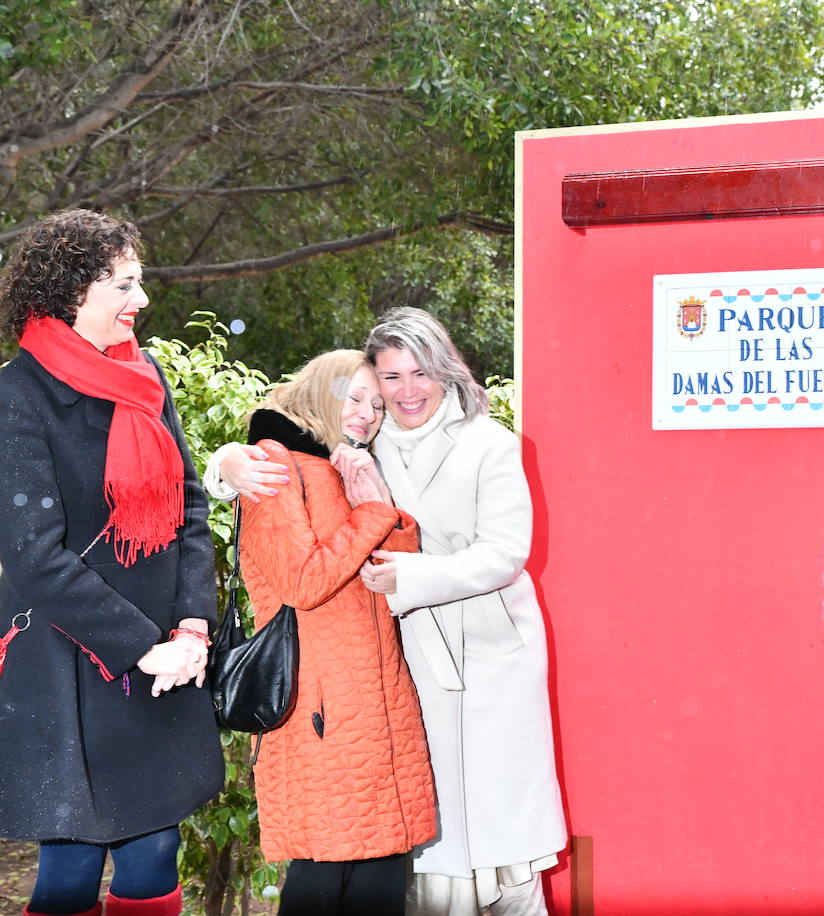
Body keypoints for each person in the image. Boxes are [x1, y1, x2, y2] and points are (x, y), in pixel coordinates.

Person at [210, 308, 566, 916]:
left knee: (499, 828)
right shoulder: (360, 445)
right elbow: (288, 456)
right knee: (414, 840)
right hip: (394, 661)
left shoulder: (488, 442)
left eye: (419, 373)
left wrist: (409, 574)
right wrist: (226, 463)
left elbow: (504, 553)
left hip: (485, 652)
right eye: (389, 379)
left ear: (447, 371)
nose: (404, 394)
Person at [0, 209, 223, 916]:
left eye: (140, 280)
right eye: (123, 284)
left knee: (154, 852)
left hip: (164, 658)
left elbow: (188, 504)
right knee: (71, 862)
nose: (142, 299)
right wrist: (143, 649)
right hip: (74, 661)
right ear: (71, 293)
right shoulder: (17, 397)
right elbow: (35, 559)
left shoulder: (144, 373)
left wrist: (191, 626)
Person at [236, 350, 436, 914]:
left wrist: (376, 498)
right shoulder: (276, 464)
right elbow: (301, 580)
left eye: (377, 405)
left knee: (381, 867)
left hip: (379, 695)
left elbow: (396, 571)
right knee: (327, 866)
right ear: (321, 392)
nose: (367, 414)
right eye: (354, 398)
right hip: (319, 700)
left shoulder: (345, 466)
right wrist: (372, 514)